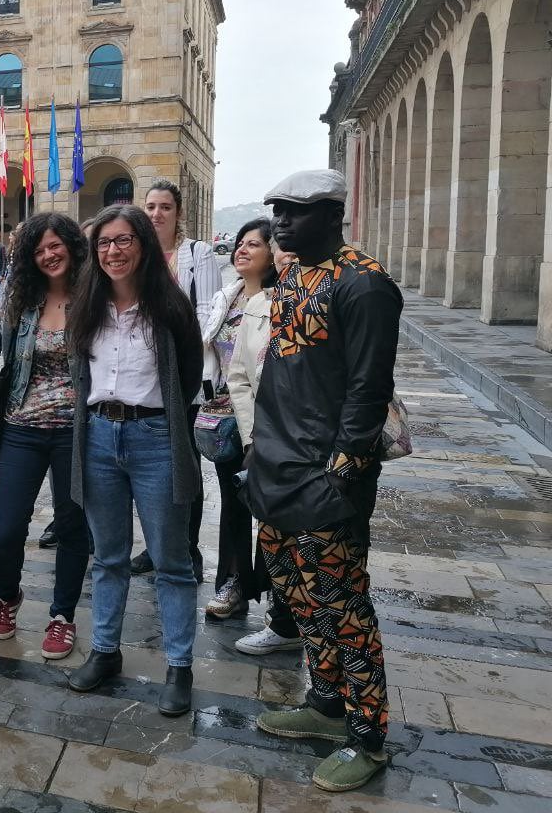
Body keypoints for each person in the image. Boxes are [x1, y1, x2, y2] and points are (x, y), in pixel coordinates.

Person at [248, 169, 401, 793]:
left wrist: (344, 468)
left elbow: (369, 388)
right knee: (300, 600)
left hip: (325, 477)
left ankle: (368, 735)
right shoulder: (291, 277)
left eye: (296, 210)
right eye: (277, 209)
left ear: (333, 213)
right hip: (276, 468)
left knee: (344, 607)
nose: (282, 221)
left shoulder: (364, 284)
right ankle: (326, 702)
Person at [65, 204, 202, 716]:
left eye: (123, 241)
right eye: (103, 243)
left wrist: (160, 424)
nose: (113, 251)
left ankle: (179, 666)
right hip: (98, 436)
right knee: (108, 558)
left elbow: (186, 378)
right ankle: (105, 652)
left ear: (143, 244)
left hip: (154, 437)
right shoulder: (88, 306)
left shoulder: (169, 308)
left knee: (171, 560)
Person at [0, 212, 91, 661]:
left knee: (72, 526)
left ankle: (62, 615)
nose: (48, 255)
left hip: (76, 432)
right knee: (6, 529)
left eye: (55, 245)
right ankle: (8, 596)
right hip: (21, 429)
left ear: (70, 246)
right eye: (39, 249)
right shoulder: (21, 302)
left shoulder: (93, 300)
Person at [131, 180, 219, 581]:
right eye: (150, 206)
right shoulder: (138, 254)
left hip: (184, 377)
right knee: (154, 467)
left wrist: (176, 355)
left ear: (178, 212)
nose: (156, 214)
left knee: (185, 466)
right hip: (145, 380)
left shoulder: (197, 254)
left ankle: (188, 549)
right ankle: (156, 544)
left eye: (165, 206)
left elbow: (208, 317)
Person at [201, 219, 279, 620]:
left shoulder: (279, 301)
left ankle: (278, 595)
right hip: (226, 418)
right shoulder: (226, 298)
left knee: (273, 507)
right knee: (234, 503)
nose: (242, 250)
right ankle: (233, 582)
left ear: (272, 254)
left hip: (268, 419)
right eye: (241, 243)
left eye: (254, 244)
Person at [231, 245, 305, 657]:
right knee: (275, 537)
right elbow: (239, 375)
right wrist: (252, 437)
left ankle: (329, 641)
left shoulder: (343, 293)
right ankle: (284, 623)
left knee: (321, 547)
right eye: (282, 244)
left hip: (321, 447)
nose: (288, 253)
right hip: (268, 441)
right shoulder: (259, 304)